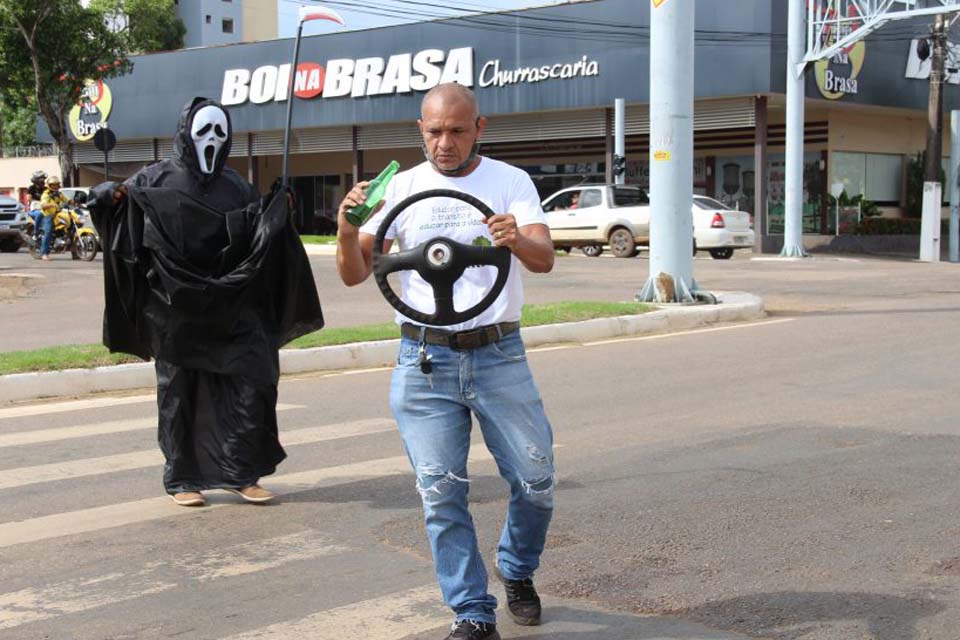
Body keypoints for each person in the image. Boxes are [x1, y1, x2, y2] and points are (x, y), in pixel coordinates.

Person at [336, 83, 556, 640]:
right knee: (441, 493)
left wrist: (514, 239)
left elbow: (544, 258)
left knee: (535, 481)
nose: (445, 143)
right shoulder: (399, 187)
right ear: (421, 130)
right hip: (423, 359)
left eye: (457, 130)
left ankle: (517, 568)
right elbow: (354, 271)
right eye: (434, 131)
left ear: (479, 127)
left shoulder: (510, 182)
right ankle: (472, 612)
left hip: (499, 352)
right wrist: (347, 224)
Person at [88, 97, 324, 508]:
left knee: (253, 378)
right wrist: (107, 198)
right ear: (186, 132)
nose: (212, 139)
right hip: (174, 308)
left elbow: (258, 239)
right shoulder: (154, 178)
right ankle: (183, 478)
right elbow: (123, 217)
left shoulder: (237, 186)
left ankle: (241, 473)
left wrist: (276, 210)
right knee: (179, 391)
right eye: (204, 130)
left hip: (232, 306)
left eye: (220, 131)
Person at [39, 176, 69, 261]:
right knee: (48, 232)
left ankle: (75, 253)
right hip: (48, 215)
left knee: (70, 227)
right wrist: (52, 205)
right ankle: (44, 253)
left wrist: (73, 202)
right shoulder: (46, 194)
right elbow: (43, 205)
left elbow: (66, 200)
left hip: (58, 214)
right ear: (49, 185)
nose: (55, 186)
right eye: (53, 185)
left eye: (56, 185)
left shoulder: (59, 194)